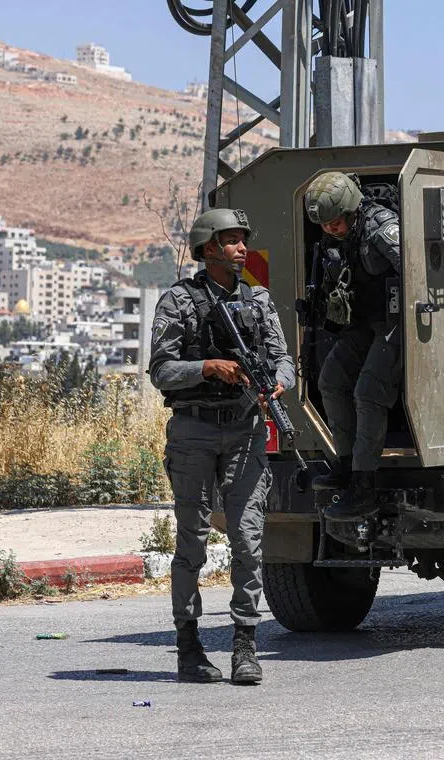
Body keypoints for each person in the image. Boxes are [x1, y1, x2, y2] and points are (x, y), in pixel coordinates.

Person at [149, 208, 294, 685]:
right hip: (193, 430)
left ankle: (244, 646)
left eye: (242, 240)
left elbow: (282, 359)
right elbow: (161, 371)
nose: (241, 248)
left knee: (248, 539)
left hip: (246, 428)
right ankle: (189, 648)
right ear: (208, 247)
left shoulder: (258, 301)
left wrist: (277, 384)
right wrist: (207, 367)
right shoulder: (179, 302)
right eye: (230, 240)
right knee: (191, 538)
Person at [304, 171, 403, 519]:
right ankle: (345, 466)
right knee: (330, 381)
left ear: (350, 210)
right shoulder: (335, 239)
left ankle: (364, 485)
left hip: (398, 324)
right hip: (363, 323)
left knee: (368, 392)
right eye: (325, 224)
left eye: (335, 221)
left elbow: (415, 269)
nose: (331, 228)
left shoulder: (381, 226)